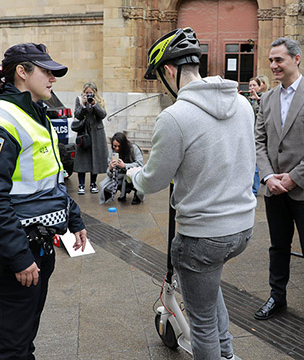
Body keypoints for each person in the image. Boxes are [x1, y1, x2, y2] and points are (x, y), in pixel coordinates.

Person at [126, 27, 256, 360]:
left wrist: (132, 174)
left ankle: (218, 354)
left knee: (201, 326)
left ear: (169, 70)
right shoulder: (242, 104)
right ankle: (228, 354)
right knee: (209, 295)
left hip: (202, 236)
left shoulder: (175, 116)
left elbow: (153, 180)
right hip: (242, 228)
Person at [0, 42, 87, 359]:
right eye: (46, 71)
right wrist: (19, 256)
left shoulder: (34, 115)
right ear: (21, 72)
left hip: (39, 244)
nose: (52, 78)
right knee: (12, 348)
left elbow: (49, 181)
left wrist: (74, 222)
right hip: (11, 250)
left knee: (21, 336)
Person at [253, 37, 304, 337]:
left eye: (279, 60)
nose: (273, 65)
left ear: (296, 59)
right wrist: (268, 176)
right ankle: (277, 296)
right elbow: (258, 141)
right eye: (271, 60)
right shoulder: (267, 98)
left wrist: (293, 177)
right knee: (278, 247)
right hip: (274, 188)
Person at [73, 82, 108, 195]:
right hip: (83, 133)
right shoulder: (79, 100)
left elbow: (102, 115)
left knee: (95, 159)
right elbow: (77, 115)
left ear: (95, 92)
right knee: (82, 159)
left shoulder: (100, 101)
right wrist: (83, 105)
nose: (88, 95)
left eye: (90, 93)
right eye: (86, 93)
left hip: (97, 134)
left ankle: (93, 184)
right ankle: (81, 185)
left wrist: (94, 104)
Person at [99, 132, 144, 205]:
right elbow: (110, 174)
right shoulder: (113, 152)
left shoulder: (134, 149)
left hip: (133, 176)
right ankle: (120, 194)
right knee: (106, 188)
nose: (117, 148)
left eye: (119, 146)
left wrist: (125, 166)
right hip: (119, 177)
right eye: (114, 146)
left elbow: (140, 165)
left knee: (134, 180)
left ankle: (137, 195)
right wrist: (110, 169)